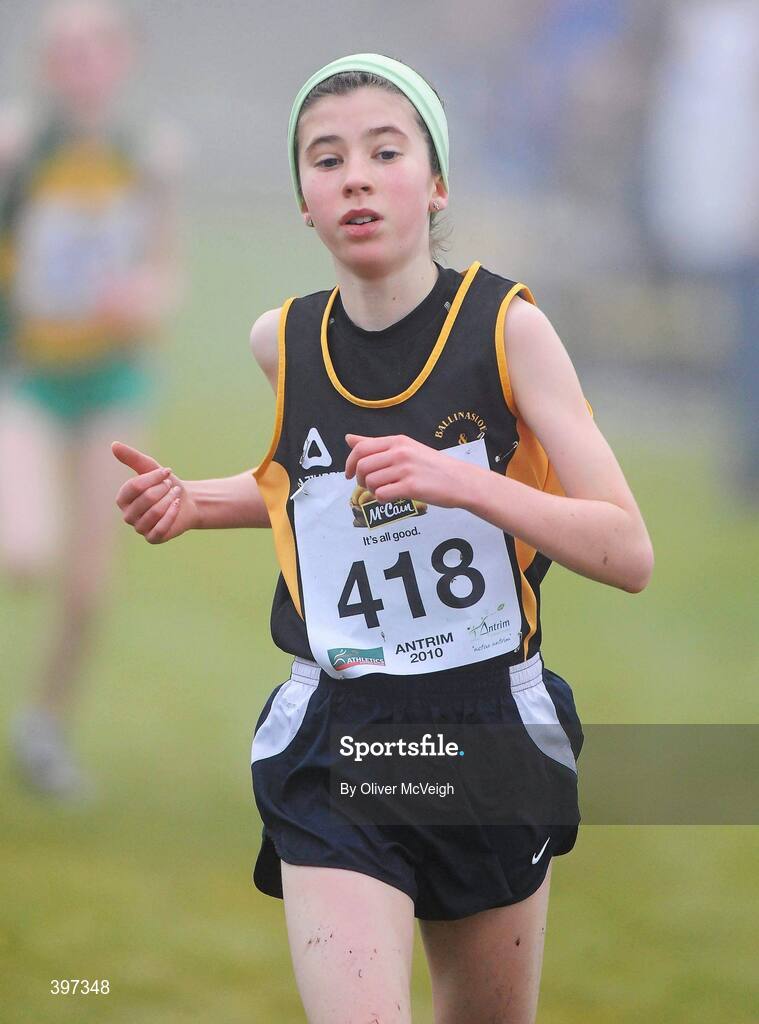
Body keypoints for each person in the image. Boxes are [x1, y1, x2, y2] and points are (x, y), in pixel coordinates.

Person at [113, 54, 652, 1024]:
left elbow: (626, 550)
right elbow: (315, 493)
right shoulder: (282, 341)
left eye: (384, 150)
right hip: (342, 744)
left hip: (486, 734)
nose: (354, 174)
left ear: (435, 183)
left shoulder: (507, 328)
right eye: (326, 159)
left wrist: (464, 482)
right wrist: (194, 500)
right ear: (306, 204)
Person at [1, 0, 179, 798]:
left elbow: (167, 273)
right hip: (30, 376)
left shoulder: (149, 155)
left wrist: (143, 295)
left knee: (88, 588)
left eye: (98, 47)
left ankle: (44, 727)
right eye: (67, 49)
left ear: (125, 59)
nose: (83, 62)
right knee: (25, 552)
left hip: (110, 380)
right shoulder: (17, 146)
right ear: (47, 64)